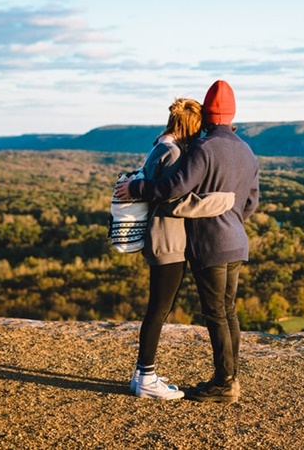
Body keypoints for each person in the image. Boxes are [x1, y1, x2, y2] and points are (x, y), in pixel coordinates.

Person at [116, 80, 259, 404]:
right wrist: (232, 219)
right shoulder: (247, 151)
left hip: (210, 243)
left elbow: (173, 188)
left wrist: (137, 188)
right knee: (229, 312)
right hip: (236, 239)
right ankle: (229, 378)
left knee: (216, 315)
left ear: (208, 114)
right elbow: (251, 202)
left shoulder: (204, 148)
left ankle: (224, 384)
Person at [129, 97, 235, 400]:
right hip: (168, 240)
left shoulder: (159, 145)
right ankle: (146, 378)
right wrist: (223, 201)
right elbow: (176, 200)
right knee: (159, 309)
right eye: (199, 126)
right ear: (190, 124)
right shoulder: (174, 152)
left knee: (158, 307)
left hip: (159, 237)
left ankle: (142, 375)